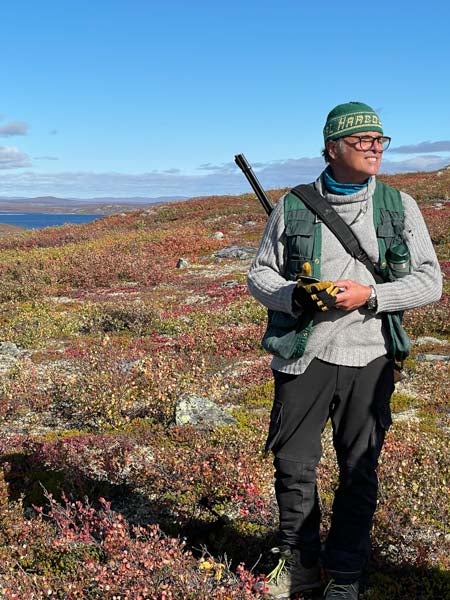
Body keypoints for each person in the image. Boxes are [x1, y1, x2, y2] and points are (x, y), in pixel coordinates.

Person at [247, 101, 442, 599]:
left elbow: (430, 282)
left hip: (371, 356)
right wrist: (293, 295)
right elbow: (260, 274)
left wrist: (372, 296)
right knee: (293, 466)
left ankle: (347, 576)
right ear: (332, 147)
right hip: (302, 354)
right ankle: (300, 567)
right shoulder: (294, 205)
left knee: (360, 469)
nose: (376, 148)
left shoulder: (400, 207)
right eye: (363, 141)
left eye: (381, 140)